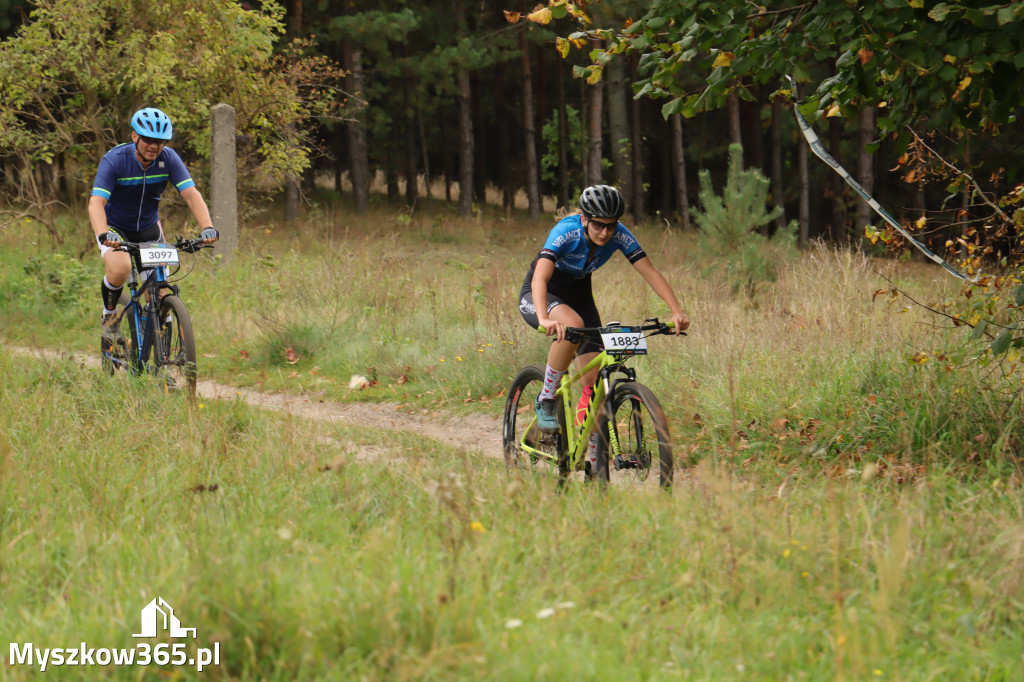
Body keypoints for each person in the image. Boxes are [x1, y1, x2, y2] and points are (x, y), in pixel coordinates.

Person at [518, 184, 690, 466]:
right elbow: (540, 278)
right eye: (599, 225)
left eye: (611, 226)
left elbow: (649, 270)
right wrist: (544, 317)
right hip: (542, 293)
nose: (605, 232)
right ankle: (546, 398)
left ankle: (595, 462)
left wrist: (676, 310)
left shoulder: (619, 234)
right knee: (572, 325)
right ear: (585, 219)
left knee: (595, 383)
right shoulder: (566, 231)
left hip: (579, 296)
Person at [90, 107, 218, 339]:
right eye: (148, 139)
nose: (154, 146)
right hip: (115, 229)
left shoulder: (169, 159)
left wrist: (207, 227)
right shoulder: (114, 160)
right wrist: (103, 234)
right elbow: (96, 203)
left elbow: (191, 195)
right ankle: (109, 314)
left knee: (158, 293)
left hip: (149, 230)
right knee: (121, 268)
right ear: (134, 136)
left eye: (160, 141)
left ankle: (161, 353)